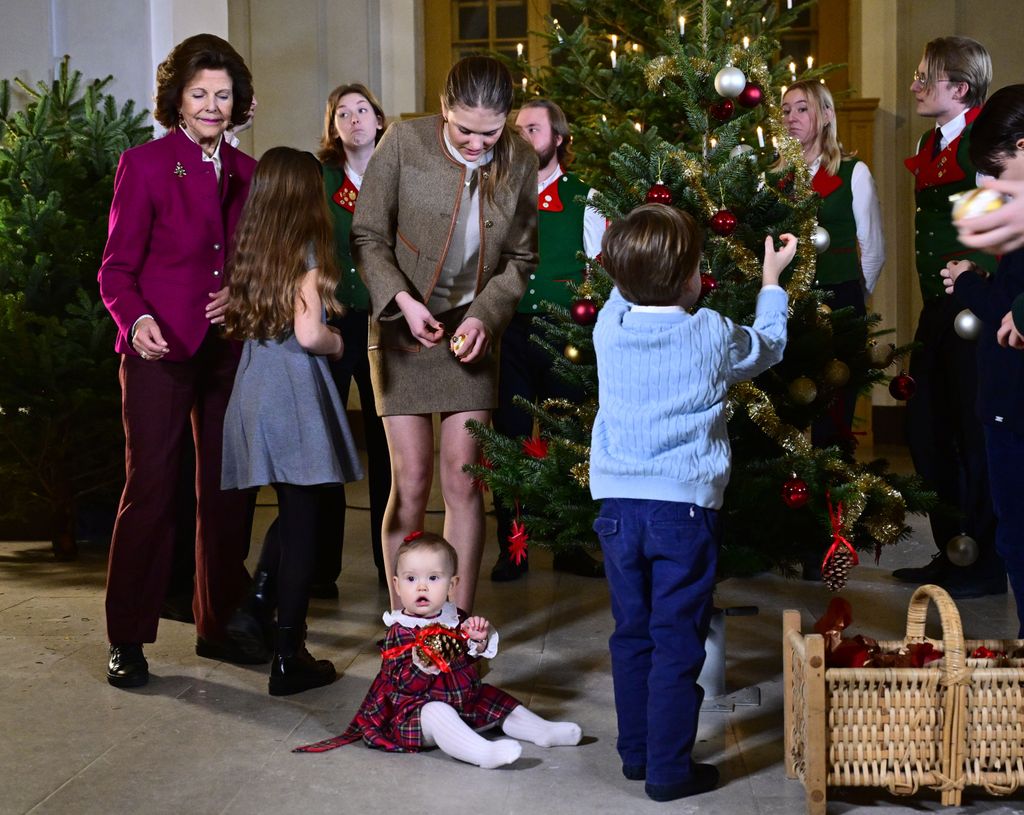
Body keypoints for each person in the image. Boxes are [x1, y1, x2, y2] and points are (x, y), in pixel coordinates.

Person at [590, 204, 795, 802]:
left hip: (617, 509)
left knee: (632, 633)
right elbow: (769, 348)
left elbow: (619, 287)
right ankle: (668, 771)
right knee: (678, 638)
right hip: (682, 511)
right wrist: (770, 283)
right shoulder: (709, 330)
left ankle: (636, 756)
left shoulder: (611, 327)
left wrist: (621, 252)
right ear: (691, 279)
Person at [98, 34, 265, 689]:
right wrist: (134, 318)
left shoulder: (250, 173)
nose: (212, 106)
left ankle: (217, 623)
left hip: (228, 352)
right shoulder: (142, 165)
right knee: (151, 491)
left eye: (223, 95)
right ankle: (127, 637)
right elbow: (116, 269)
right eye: (200, 94)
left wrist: (245, 291)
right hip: (157, 351)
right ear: (178, 99)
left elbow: (258, 261)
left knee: (227, 492)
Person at [351, 56, 538, 611]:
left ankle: (454, 624)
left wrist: (484, 315)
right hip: (402, 327)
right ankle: (404, 625)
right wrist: (403, 302)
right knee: (410, 487)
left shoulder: (521, 158)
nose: (479, 143)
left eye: (492, 131)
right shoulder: (404, 143)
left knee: (463, 486)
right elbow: (366, 237)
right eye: (464, 129)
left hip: (472, 333)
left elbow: (521, 257)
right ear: (442, 109)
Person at [221, 147, 364, 696]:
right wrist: (337, 342)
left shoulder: (254, 247)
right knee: (305, 521)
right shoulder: (305, 248)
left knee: (299, 504)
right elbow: (309, 334)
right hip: (293, 388)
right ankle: (289, 653)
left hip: (255, 384)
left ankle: (258, 604)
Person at [253, 83, 392, 605]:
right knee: (326, 444)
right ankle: (319, 570)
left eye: (362, 110)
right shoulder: (320, 180)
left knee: (386, 445)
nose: (354, 119)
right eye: (342, 112)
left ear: (379, 119)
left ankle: (391, 564)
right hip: (332, 322)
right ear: (333, 127)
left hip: (385, 321)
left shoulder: (397, 176)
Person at [292, 532, 582, 766]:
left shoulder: (456, 618)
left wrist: (478, 640)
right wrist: (420, 665)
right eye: (411, 579)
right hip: (413, 713)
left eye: (433, 578)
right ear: (396, 585)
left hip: (462, 700)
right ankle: (481, 753)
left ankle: (542, 730)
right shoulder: (399, 630)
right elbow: (399, 683)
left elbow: (468, 661)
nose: (422, 587)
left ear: (451, 585)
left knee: (494, 697)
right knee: (437, 711)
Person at [896, 36, 1006, 598]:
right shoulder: (930, 139)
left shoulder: (987, 139)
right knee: (929, 427)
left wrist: (982, 273)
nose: (915, 85)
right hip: (940, 305)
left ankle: (983, 563)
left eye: (924, 77)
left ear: (959, 88)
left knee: (973, 429)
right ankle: (953, 549)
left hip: (975, 306)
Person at [487, 98, 607, 583]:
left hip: (565, 334)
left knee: (565, 439)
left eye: (532, 128)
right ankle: (511, 548)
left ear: (558, 138)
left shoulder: (585, 195)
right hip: (509, 331)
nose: (521, 136)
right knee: (510, 439)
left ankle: (567, 544)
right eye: (517, 129)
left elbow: (602, 269)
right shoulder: (497, 191)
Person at [940, 83, 1024, 638]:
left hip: (1014, 406)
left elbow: (1004, 318)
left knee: (1018, 538)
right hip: (1006, 403)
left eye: (995, 169)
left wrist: (970, 283)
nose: (986, 186)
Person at [780, 80, 884, 451]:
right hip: (786, 304)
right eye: (786, 110)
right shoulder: (774, 179)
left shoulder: (853, 172)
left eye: (802, 108)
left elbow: (872, 249)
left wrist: (855, 296)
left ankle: (833, 505)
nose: (791, 117)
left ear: (826, 116)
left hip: (840, 300)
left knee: (834, 414)